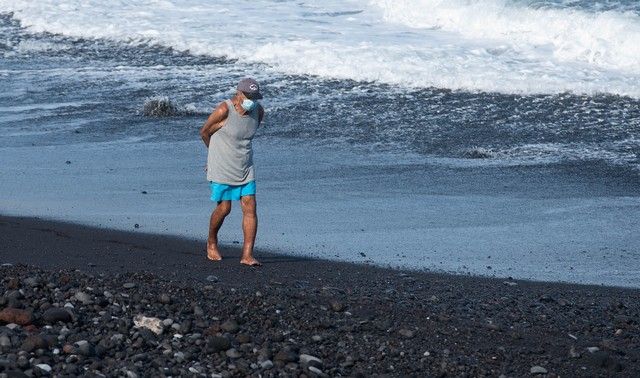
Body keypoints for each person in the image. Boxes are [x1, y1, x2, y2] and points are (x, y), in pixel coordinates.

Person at [199, 78, 264, 266]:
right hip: (221, 165)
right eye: (249, 96)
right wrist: (212, 158)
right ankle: (211, 241)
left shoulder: (258, 112)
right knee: (224, 208)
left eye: (255, 97)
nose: (253, 101)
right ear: (239, 94)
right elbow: (204, 132)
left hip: (245, 166)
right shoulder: (224, 110)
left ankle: (247, 255)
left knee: (250, 206)